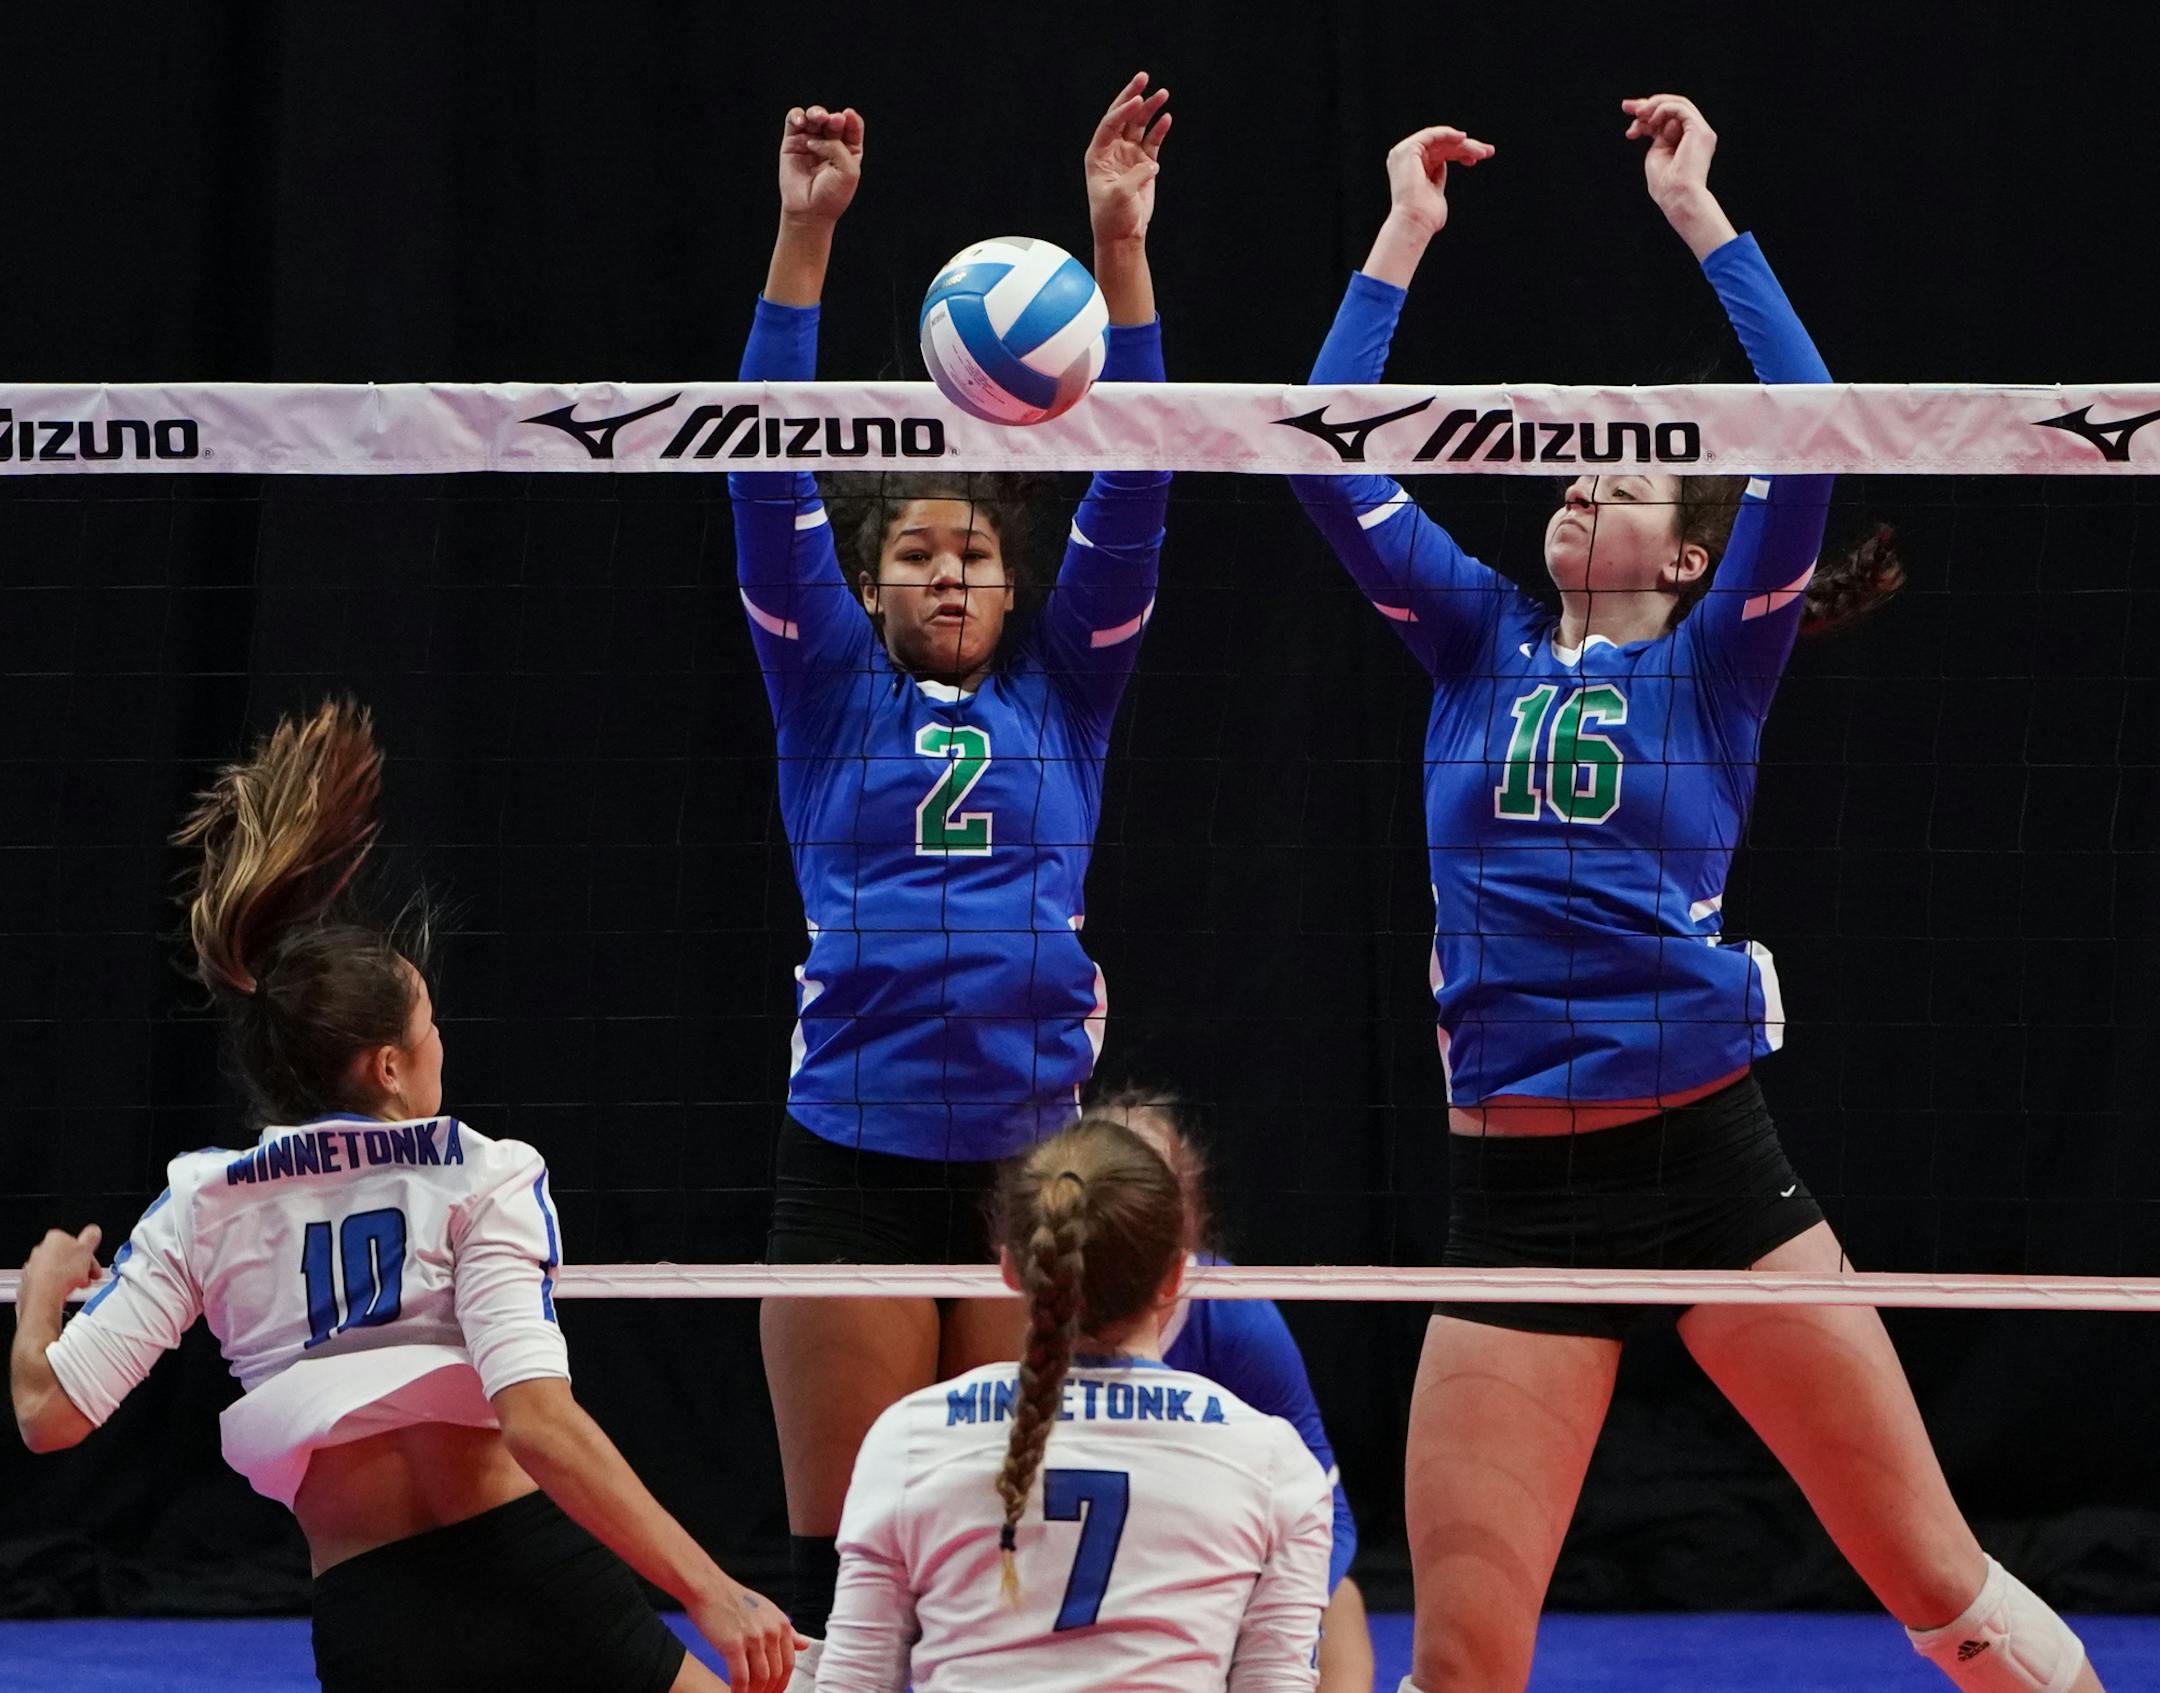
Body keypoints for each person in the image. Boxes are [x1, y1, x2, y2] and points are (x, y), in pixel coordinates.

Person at [1291, 98, 2104, 1693]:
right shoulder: (1474, 639)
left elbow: (1805, 418)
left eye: (1627, 481)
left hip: (1711, 1168)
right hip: (1514, 1203)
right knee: (1461, 1660)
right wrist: (1400, 238)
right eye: (1574, 474)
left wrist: (1698, 213)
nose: (1582, 491)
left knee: (1950, 1597)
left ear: (1689, 558)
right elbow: (1324, 449)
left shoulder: (1723, 661)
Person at [8, 701, 797, 1693]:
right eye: (429, 1025)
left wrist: (43, 1293)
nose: (440, 1042)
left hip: (374, 1614)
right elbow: (540, 1423)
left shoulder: (200, 1203)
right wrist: (713, 1590)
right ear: (388, 1064)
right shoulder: (483, 1168)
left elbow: (48, 1416)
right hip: (535, 1575)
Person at [731, 75, 1173, 1683]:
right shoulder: (827, 688)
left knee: (1008, 1570)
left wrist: (1119, 254)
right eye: (914, 551)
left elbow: (1142, 488)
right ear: (868, 585)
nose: (947, 570)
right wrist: (804, 235)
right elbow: (761, 482)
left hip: (1031, 1168)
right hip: (847, 1153)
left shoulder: (1067, 693)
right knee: (844, 1569)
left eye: (974, 550)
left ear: (1013, 575)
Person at [818, 1116, 1333, 1691]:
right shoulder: (1272, 1463)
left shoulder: (907, 1439)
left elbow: (851, 1682)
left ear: (1011, 1268)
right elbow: (1276, 1682)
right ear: (1176, 1277)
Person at [1097, 1087, 1373, 1693]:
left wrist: (1258, 1611)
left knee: (1340, 1601)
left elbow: (1331, 1510)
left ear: (1184, 1210)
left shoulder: (1233, 1314)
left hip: (1208, 1574)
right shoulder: (1022, 1312)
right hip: (1080, 1580)